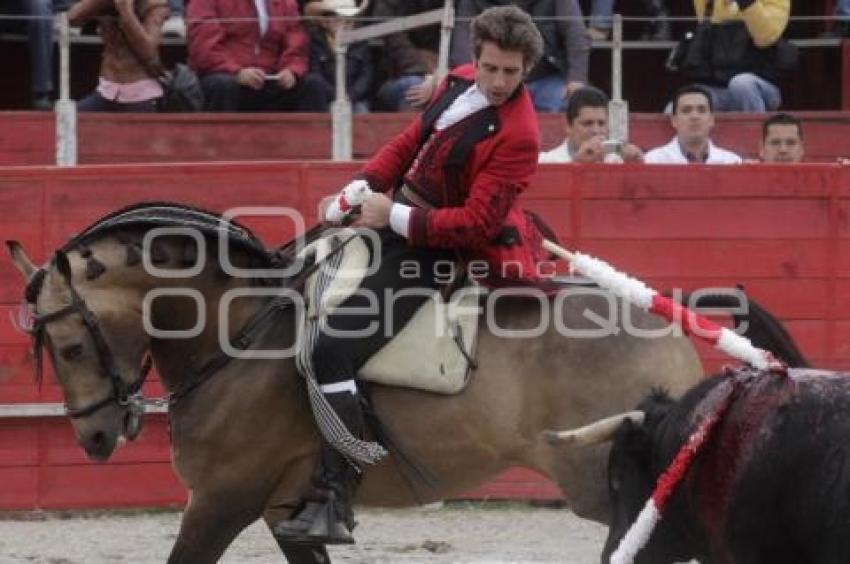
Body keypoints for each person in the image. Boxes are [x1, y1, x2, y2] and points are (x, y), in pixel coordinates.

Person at [273, 5, 548, 545]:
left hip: (434, 253)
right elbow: (409, 143)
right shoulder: (459, 81)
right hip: (395, 221)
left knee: (331, 347)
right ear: (476, 57)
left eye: (510, 73)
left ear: (527, 70)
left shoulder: (521, 135)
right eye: (490, 68)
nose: (497, 82)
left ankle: (335, 496)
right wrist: (358, 187)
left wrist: (391, 214)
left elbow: (474, 223)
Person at [450, 0, 590, 113]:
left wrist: (576, 78)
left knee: (572, 104)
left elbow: (576, 33)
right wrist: (471, 81)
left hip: (546, 78)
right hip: (492, 79)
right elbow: (463, 44)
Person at [187, 0, 325, 111]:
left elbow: (296, 40)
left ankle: (309, 144)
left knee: (313, 84)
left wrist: (291, 70)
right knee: (222, 85)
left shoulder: (286, 2)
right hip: (227, 75)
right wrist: (237, 72)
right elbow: (203, 47)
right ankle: (218, 144)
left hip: (271, 76)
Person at [682, 0, 793, 113]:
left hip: (760, 88)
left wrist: (746, 4)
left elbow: (765, 37)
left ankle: (754, 130)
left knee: (741, 84)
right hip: (718, 88)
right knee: (680, 104)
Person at [69, 0, 171, 112]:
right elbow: (73, 17)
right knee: (68, 122)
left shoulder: (155, 5)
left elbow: (149, 52)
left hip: (141, 94)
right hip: (106, 91)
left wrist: (126, 12)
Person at [538, 85, 643, 163]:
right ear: (568, 126)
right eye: (587, 123)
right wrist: (577, 164)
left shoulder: (618, 161)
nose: (596, 131)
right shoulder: (545, 161)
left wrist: (638, 165)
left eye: (601, 123)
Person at [371, 0, 443, 111]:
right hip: (395, 77)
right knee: (415, 86)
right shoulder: (388, 4)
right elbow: (397, 43)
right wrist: (428, 73)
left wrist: (438, 75)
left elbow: (458, 44)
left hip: (441, 70)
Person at [302, 0, 373, 113]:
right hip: (326, 99)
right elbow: (316, 73)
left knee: (362, 113)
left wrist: (352, 95)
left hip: (354, 99)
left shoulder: (360, 42)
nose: (345, 24)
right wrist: (337, 95)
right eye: (339, 20)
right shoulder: (316, 43)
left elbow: (366, 75)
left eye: (349, 21)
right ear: (325, 23)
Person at [645, 84, 741, 164]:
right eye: (686, 110)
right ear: (674, 121)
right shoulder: (652, 160)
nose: (694, 116)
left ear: (711, 120)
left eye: (702, 110)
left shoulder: (732, 162)